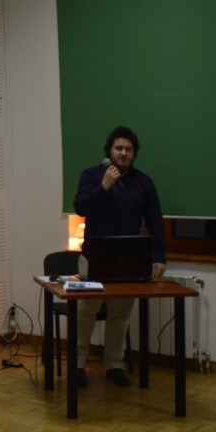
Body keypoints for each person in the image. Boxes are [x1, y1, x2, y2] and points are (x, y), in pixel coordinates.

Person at [73, 126, 166, 388]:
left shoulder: (144, 182)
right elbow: (81, 207)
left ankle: (114, 365)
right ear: (109, 151)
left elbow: (155, 220)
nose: (123, 153)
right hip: (94, 257)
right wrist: (104, 186)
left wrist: (159, 256)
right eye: (118, 148)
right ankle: (78, 365)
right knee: (86, 312)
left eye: (128, 149)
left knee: (121, 313)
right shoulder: (92, 176)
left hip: (128, 260)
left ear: (134, 153)